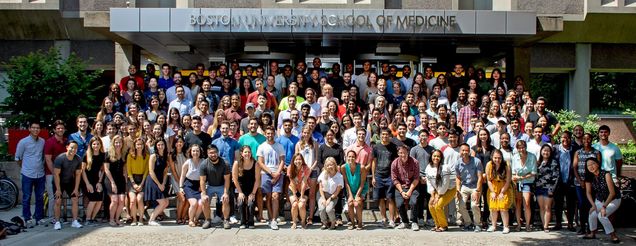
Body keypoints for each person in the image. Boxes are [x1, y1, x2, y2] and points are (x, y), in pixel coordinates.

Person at [583, 158, 621, 243]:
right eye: (588, 165)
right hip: (600, 199)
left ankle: (613, 235)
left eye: (592, 164)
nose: (591, 166)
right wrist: (593, 205)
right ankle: (592, 233)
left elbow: (612, 193)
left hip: (613, 199)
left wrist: (604, 207)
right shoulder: (589, 177)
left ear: (597, 164)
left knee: (601, 215)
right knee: (592, 213)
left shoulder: (606, 174)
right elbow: (588, 193)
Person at [15, 122, 46, 226]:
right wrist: (25, 167)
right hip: (27, 174)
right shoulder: (23, 142)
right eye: (33, 128)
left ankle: (39, 217)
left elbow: (42, 156)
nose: (36, 130)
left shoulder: (42, 141)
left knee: (40, 197)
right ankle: (27, 217)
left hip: (40, 174)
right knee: (26, 197)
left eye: (37, 128)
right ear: (29, 129)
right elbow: (18, 158)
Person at [257, 127, 286, 230]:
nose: (270, 135)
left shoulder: (279, 146)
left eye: (271, 133)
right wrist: (270, 173)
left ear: (274, 134)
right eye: (268, 133)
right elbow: (260, 162)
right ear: (265, 134)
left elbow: (282, 160)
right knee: (268, 197)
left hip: (278, 173)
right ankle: (270, 218)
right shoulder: (261, 146)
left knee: (275, 196)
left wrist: (277, 173)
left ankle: (274, 219)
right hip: (265, 173)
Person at [572, 133, 600, 235]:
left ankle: (591, 227)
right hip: (579, 183)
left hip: (592, 183)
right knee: (581, 204)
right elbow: (574, 167)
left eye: (588, 139)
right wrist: (580, 181)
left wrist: (590, 181)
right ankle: (582, 227)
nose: (586, 140)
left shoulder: (596, 152)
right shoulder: (578, 152)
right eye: (584, 139)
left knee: (590, 204)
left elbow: (598, 168)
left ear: (591, 140)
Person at [51, 141, 83, 230]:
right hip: (59, 181)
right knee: (58, 201)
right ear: (67, 147)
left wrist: (76, 189)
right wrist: (58, 189)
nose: (73, 149)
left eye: (75, 148)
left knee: (75, 199)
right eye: (72, 147)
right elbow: (56, 174)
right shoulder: (60, 158)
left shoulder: (78, 159)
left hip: (70, 181)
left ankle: (75, 221)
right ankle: (57, 221)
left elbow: (78, 175)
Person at [199, 145, 232, 229]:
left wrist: (225, 193)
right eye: (211, 153)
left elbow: (227, 180)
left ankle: (226, 220)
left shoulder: (225, 163)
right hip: (209, 186)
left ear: (218, 153)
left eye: (214, 152)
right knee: (204, 200)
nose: (213, 155)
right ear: (207, 153)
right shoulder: (204, 164)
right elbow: (202, 180)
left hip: (221, 185)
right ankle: (207, 220)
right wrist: (203, 193)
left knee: (225, 199)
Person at [371, 128, 398, 228]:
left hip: (390, 176)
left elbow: (396, 162)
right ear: (380, 135)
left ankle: (392, 220)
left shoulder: (393, 147)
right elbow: (373, 162)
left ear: (389, 135)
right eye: (383, 134)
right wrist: (373, 176)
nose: (385, 136)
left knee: (391, 198)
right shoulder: (376, 147)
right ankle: (383, 219)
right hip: (378, 175)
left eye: (386, 134)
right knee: (380, 198)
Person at [455, 143, 484, 232]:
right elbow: (458, 178)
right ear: (460, 152)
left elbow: (480, 177)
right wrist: (458, 190)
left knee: (474, 205)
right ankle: (468, 223)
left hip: (475, 186)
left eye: (466, 150)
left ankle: (478, 224)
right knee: (460, 205)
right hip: (464, 186)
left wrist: (478, 191)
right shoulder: (458, 163)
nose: (464, 152)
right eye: (463, 150)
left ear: (469, 151)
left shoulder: (476, 161)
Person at [391, 146, 420, 231]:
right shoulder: (394, 163)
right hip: (400, 186)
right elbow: (394, 179)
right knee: (399, 204)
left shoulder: (415, 162)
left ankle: (414, 221)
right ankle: (405, 221)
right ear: (398, 153)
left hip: (413, 186)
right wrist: (401, 191)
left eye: (404, 153)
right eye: (400, 153)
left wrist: (410, 191)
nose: (402, 155)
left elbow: (416, 178)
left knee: (413, 202)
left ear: (408, 152)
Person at [553, 131, 577, 231]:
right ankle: (558, 223)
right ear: (560, 139)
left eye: (567, 137)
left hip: (570, 180)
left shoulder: (574, 150)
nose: (565, 140)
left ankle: (570, 223)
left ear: (570, 139)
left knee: (571, 204)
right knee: (558, 203)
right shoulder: (555, 149)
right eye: (563, 137)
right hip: (558, 181)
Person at [295, 126, 320, 225]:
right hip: (301, 171)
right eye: (304, 132)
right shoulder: (298, 144)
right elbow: (296, 159)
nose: (306, 134)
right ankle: (301, 216)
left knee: (312, 195)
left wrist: (310, 169)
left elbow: (316, 159)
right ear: (302, 133)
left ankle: (310, 217)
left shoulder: (314, 143)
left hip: (312, 170)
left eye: (308, 133)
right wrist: (301, 170)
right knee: (301, 193)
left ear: (310, 133)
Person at [43, 120, 67, 223]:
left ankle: (62, 217)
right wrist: (55, 174)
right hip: (51, 174)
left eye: (62, 128)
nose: (60, 130)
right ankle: (52, 218)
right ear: (54, 130)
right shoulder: (49, 142)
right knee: (53, 196)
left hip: (64, 173)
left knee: (62, 196)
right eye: (58, 128)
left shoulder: (66, 141)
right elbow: (48, 160)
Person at [511, 140, 537, 232]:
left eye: (523, 147)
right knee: (518, 204)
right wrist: (517, 178)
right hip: (518, 182)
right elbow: (513, 173)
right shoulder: (515, 157)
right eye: (519, 148)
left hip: (528, 182)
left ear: (525, 147)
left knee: (526, 203)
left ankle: (528, 225)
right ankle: (518, 224)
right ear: (517, 149)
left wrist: (522, 177)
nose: (521, 149)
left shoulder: (532, 156)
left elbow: (533, 172)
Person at [485, 149, 513, 233]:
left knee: (503, 207)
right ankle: (493, 226)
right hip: (493, 186)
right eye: (495, 158)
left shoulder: (506, 165)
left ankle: (506, 226)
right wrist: (493, 192)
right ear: (492, 157)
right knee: (493, 207)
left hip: (504, 186)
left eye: (499, 158)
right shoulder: (489, 165)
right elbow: (488, 180)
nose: (497, 160)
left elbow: (508, 181)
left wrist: (502, 192)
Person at [427, 150, 455, 232]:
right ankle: (437, 224)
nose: (436, 158)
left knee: (438, 206)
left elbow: (445, 185)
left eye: (438, 156)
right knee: (431, 205)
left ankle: (443, 225)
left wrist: (438, 196)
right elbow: (429, 182)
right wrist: (432, 195)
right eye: (434, 156)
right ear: (431, 157)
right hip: (437, 190)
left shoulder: (445, 168)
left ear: (441, 158)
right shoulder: (428, 167)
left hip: (449, 190)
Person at [232, 146, 260, 229]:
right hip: (240, 188)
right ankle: (243, 221)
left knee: (251, 203)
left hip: (252, 188)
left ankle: (251, 221)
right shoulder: (237, 163)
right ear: (241, 153)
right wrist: (240, 192)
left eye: (249, 152)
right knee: (241, 202)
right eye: (245, 152)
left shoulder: (256, 163)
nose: (247, 154)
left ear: (251, 153)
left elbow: (257, 180)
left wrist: (253, 193)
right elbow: (235, 179)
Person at [144, 139, 170, 226]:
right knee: (162, 202)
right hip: (152, 180)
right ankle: (151, 220)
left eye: (162, 144)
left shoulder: (166, 157)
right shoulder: (153, 156)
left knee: (166, 202)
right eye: (158, 145)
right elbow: (151, 171)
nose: (160, 146)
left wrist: (163, 183)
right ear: (156, 146)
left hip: (161, 181)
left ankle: (153, 218)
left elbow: (165, 172)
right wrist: (159, 184)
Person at [535, 144, 560, 233]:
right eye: (544, 150)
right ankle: (543, 224)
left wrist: (552, 189)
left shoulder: (553, 162)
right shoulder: (537, 163)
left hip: (549, 188)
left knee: (548, 207)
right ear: (541, 151)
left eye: (548, 151)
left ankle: (546, 226)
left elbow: (556, 177)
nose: (546, 152)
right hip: (539, 187)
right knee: (541, 207)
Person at [341, 150, 368, 230]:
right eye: (349, 156)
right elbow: (346, 183)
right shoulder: (343, 167)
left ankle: (359, 223)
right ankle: (352, 223)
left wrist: (357, 195)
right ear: (346, 157)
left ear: (356, 158)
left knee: (357, 204)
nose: (351, 158)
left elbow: (362, 183)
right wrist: (350, 195)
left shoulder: (361, 167)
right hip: (350, 190)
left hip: (361, 189)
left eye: (353, 156)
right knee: (350, 203)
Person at [104, 135, 127, 227]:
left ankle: (117, 219)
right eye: (116, 142)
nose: (118, 144)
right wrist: (112, 183)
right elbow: (106, 169)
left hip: (120, 179)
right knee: (114, 200)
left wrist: (125, 180)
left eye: (120, 142)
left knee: (121, 200)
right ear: (113, 143)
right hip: (110, 180)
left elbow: (124, 169)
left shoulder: (124, 154)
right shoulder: (108, 154)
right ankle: (111, 219)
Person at [81, 138, 105, 226]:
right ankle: (87, 219)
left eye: (98, 144)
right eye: (94, 144)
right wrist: (87, 184)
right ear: (91, 145)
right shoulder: (86, 155)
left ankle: (92, 218)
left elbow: (103, 170)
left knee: (99, 200)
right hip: (87, 180)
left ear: (100, 145)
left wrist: (99, 182)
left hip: (97, 180)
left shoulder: (103, 155)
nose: (96, 146)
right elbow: (82, 171)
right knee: (93, 200)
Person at [179, 144, 204, 227]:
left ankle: (195, 219)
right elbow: (182, 176)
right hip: (188, 185)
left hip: (199, 185)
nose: (195, 152)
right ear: (190, 152)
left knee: (201, 203)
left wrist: (203, 185)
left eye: (197, 151)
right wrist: (180, 187)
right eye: (193, 151)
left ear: (200, 152)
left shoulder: (203, 162)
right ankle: (190, 219)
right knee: (193, 203)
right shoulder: (187, 162)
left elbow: (206, 176)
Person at [126, 138, 149, 226]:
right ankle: (134, 219)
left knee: (139, 199)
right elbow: (129, 171)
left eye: (141, 144)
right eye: (138, 144)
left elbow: (146, 171)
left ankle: (141, 219)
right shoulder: (130, 156)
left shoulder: (146, 156)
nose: (139, 146)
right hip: (132, 179)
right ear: (135, 146)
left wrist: (142, 184)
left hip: (142, 179)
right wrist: (134, 184)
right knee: (132, 200)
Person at [318, 157, 344, 230]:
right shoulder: (323, 174)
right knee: (322, 209)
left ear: (335, 165)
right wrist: (323, 198)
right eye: (328, 165)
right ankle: (325, 223)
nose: (330, 167)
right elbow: (320, 187)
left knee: (329, 209)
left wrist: (329, 199)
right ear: (325, 166)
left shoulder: (339, 176)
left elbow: (337, 191)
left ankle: (333, 222)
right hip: (323, 194)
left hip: (333, 196)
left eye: (331, 164)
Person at [287, 153, 310, 229]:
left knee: (301, 204)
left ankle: (303, 221)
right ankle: (294, 222)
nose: (298, 161)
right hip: (293, 189)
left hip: (304, 189)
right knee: (294, 205)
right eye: (296, 159)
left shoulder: (306, 168)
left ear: (302, 160)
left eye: (299, 159)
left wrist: (302, 196)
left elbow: (304, 182)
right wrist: (294, 194)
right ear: (293, 161)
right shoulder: (290, 168)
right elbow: (292, 182)